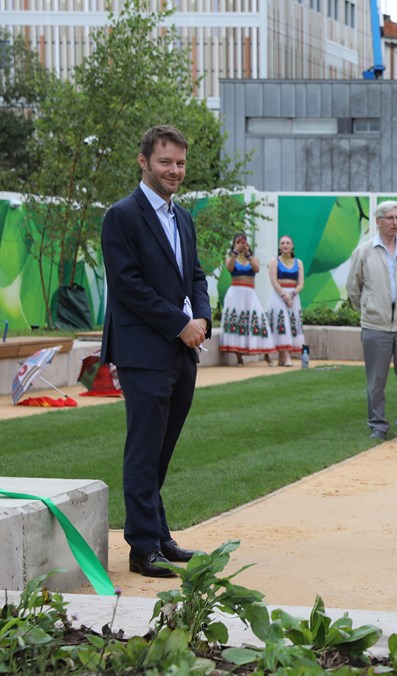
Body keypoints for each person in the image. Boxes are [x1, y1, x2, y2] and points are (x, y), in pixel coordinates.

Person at [101, 124, 208, 578]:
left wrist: (201, 318)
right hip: (143, 350)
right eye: (166, 162)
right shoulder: (121, 216)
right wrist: (179, 323)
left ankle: (159, 534)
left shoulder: (182, 217)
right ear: (144, 162)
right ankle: (142, 548)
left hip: (183, 350)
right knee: (144, 450)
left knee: (162, 450)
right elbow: (128, 286)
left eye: (180, 163)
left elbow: (197, 277)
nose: (175, 170)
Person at [347, 201, 397, 443]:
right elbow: (353, 289)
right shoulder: (363, 252)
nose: (395, 223)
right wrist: (370, 309)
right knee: (376, 380)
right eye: (389, 218)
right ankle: (378, 425)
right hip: (375, 327)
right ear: (378, 221)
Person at [220, 233, 275, 366]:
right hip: (235, 293)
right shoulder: (230, 258)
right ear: (234, 244)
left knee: (259, 319)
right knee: (237, 321)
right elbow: (230, 268)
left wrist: (247, 253)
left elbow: (256, 269)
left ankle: (267, 355)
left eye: (243, 241)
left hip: (250, 293)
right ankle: (239, 358)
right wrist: (235, 251)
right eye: (238, 242)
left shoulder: (253, 259)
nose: (241, 244)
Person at [267, 235, 305, 367]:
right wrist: (284, 295)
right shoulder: (274, 261)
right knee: (281, 322)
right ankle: (285, 356)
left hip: (294, 296)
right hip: (279, 296)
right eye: (282, 243)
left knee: (292, 323)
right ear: (279, 246)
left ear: (292, 245)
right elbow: (273, 280)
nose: (285, 245)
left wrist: (292, 294)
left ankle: (282, 358)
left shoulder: (298, 262)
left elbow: (301, 283)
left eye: (287, 243)